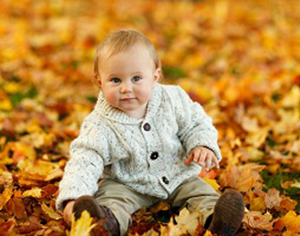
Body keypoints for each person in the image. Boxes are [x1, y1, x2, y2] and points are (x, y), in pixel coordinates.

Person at [56, 29, 245, 236]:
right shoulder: (99, 124)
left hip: (178, 175)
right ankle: (102, 224)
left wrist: (202, 144)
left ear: (154, 76)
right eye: (116, 80)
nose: (126, 88)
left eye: (136, 78)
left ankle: (217, 220)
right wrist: (73, 197)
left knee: (201, 194)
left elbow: (196, 123)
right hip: (127, 183)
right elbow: (85, 160)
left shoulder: (173, 99)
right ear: (100, 81)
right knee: (112, 200)